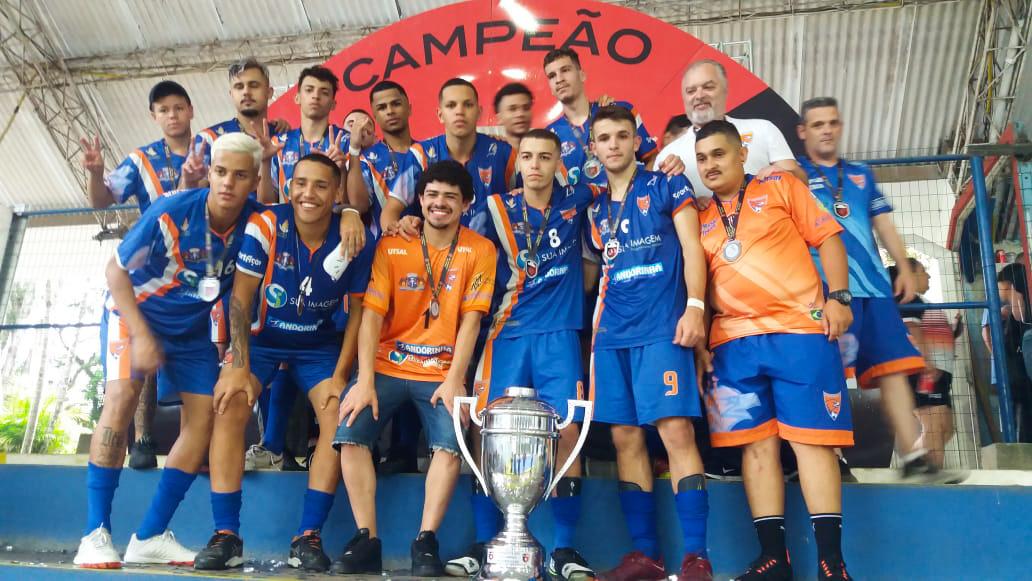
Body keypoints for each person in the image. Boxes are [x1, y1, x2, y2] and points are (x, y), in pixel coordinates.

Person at [73, 133, 265, 569]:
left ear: (255, 180)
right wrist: (142, 336)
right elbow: (115, 272)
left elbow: (306, 214)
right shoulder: (171, 211)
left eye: (240, 175)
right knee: (121, 400)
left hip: (191, 330)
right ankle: (94, 533)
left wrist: (350, 212)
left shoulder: (258, 222)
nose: (227, 183)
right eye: (220, 172)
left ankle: (150, 536)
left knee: (205, 418)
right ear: (209, 172)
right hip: (133, 315)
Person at [193, 153, 375, 572]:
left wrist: (341, 376)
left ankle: (307, 536)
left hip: (318, 347)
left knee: (338, 415)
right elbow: (241, 299)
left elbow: (359, 314)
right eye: (300, 183)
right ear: (288, 186)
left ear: (336, 194)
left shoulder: (354, 237)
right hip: (261, 342)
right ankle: (226, 535)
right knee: (229, 403)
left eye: (321, 186)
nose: (308, 193)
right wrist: (238, 364)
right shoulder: (267, 224)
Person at [695, 120, 853, 580]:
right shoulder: (699, 216)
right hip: (732, 344)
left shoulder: (780, 186)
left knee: (812, 444)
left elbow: (829, 237)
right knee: (755, 449)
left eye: (719, 154)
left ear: (742, 154)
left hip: (800, 332)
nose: (710, 165)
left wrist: (839, 297)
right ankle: (773, 561)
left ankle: (832, 565)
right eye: (702, 158)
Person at [445, 129, 597, 579]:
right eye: (527, 156)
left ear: (558, 162)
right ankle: (485, 542)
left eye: (545, 157)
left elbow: (619, 177)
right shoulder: (497, 208)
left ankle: (564, 548)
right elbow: (460, 247)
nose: (535, 165)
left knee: (567, 431)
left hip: (559, 335)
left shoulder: (577, 200)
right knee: (484, 429)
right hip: (507, 332)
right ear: (518, 162)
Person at [332, 160, 497, 576]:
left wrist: (456, 379)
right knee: (349, 430)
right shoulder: (392, 244)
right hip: (387, 364)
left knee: (450, 442)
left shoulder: (480, 249)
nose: (440, 203)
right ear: (420, 200)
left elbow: (471, 321)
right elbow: (371, 316)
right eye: (432, 195)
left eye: (451, 197)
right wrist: (364, 380)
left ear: (466, 204)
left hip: (441, 371)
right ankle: (366, 539)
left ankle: (426, 541)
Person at [586, 105, 712, 581]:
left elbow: (692, 247)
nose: (614, 144)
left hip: (662, 327)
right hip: (611, 334)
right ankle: (646, 557)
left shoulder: (667, 184)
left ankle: (696, 556)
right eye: (605, 138)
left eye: (622, 135)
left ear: (637, 140)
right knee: (624, 437)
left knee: (675, 431)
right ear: (593, 147)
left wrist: (695, 307)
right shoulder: (594, 207)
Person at [797, 96, 949, 481]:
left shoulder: (862, 174)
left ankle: (914, 457)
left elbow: (883, 224)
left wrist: (903, 265)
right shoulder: (794, 175)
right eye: (817, 124)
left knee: (893, 372)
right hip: (829, 292)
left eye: (832, 122)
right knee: (827, 373)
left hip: (876, 292)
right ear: (802, 131)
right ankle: (830, 457)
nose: (827, 130)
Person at [80, 79, 196, 470]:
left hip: (196, 275)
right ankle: (143, 438)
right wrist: (96, 173)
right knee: (136, 365)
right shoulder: (141, 159)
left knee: (196, 366)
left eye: (178, 107)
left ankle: (191, 450)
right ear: (153, 116)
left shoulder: (212, 150)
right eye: (163, 110)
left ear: (190, 110)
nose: (172, 115)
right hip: (148, 275)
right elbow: (101, 201)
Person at [658, 59, 806, 200]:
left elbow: (802, 184)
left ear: (725, 90)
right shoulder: (668, 156)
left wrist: (785, 175)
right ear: (683, 98)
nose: (699, 95)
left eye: (708, 87)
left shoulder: (762, 129)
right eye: (691, 91)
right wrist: (689, 199)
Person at [544, 48, 680, 186]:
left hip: (631, 198)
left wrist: (641, 190)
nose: (559, 79)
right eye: (552, 76)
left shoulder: (622, 110)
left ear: (582, 75)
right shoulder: (548, 136)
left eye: (565, 70)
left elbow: (652, 158)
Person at [411, 78, 517, 236]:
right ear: (440, 114)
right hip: (434, 250)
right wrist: (401, 222)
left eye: (468, 105)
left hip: (492, 250)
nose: (459, 111)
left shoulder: (505, 153)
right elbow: (392, 212)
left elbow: (536, 203)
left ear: (479, 113)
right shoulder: (420, 154)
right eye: (451, 105)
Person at [890, 259, 959, 467]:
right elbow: (911, 327)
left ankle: (917, 464)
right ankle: (931, 475)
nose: (928, 276)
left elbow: (924, 331)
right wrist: (926, 362)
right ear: (908, 275)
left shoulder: (919, 301)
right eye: (923, 271)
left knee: (946, 427)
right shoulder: (908, 298)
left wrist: (952, 331)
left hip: (936, 371)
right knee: (935, 425)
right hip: (924, 372)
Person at [182, 57, 285, 190]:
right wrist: (190, 183)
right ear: (231, 94)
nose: (246, 92)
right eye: (239, 87)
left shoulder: (284, 136)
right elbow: (191, 193)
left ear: (269, 92)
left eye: (254, 85)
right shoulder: (208, 139)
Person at [264, 65, 347, 203]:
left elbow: (354, 207)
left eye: (324, 92)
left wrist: (342, 171)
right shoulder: (277, 144)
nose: (316, 96)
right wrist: (264, 163)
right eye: (309, 90)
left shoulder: (347, 142)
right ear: (297, 98)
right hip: (287, 217)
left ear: (333, 104)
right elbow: (265, 203)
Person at [361, 80, 424, 237]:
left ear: (409, 108)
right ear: (375, 116)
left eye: (396, 104)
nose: (390, 111)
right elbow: (358, 207)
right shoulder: (366, 160)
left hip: (429, 246)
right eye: (382, 108)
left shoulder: (428, 153)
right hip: (386, 245)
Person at [494, 82, 534, 150]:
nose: (520, 114)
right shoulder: (491, 152)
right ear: (499, 118)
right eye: (512, 109)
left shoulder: (548, 149)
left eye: (526, 108)